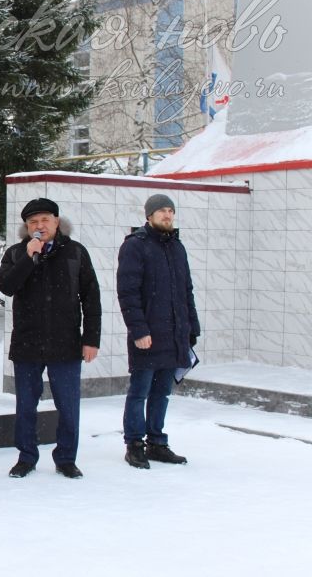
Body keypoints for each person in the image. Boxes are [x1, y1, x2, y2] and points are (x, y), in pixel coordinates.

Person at [0, 197, 100, 479]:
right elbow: (6, 286)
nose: (39, 226)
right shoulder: (18, 253)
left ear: (56, 221)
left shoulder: (75, 252)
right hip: (27, 343)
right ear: (27, 227)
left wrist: (91, 338)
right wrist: (30, 257)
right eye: (33, 222)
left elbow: (91, 298)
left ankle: (66, 458)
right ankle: (26, 457)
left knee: (68, 406)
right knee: (25, 407)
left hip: (65, 343)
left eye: (44, 220)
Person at [117, 194, 199, 469]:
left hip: (174, 335)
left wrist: (191, 328)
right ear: (149, 215)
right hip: (148, 335)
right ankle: (134, 444)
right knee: (139, 392)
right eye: (162, 210)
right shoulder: (135, 246)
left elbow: (186, 291)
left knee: (162, 392)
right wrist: (138, 330)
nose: (167, 215)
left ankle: (157, 442)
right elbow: (128, 293)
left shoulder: (177, 247)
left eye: (170, 210)